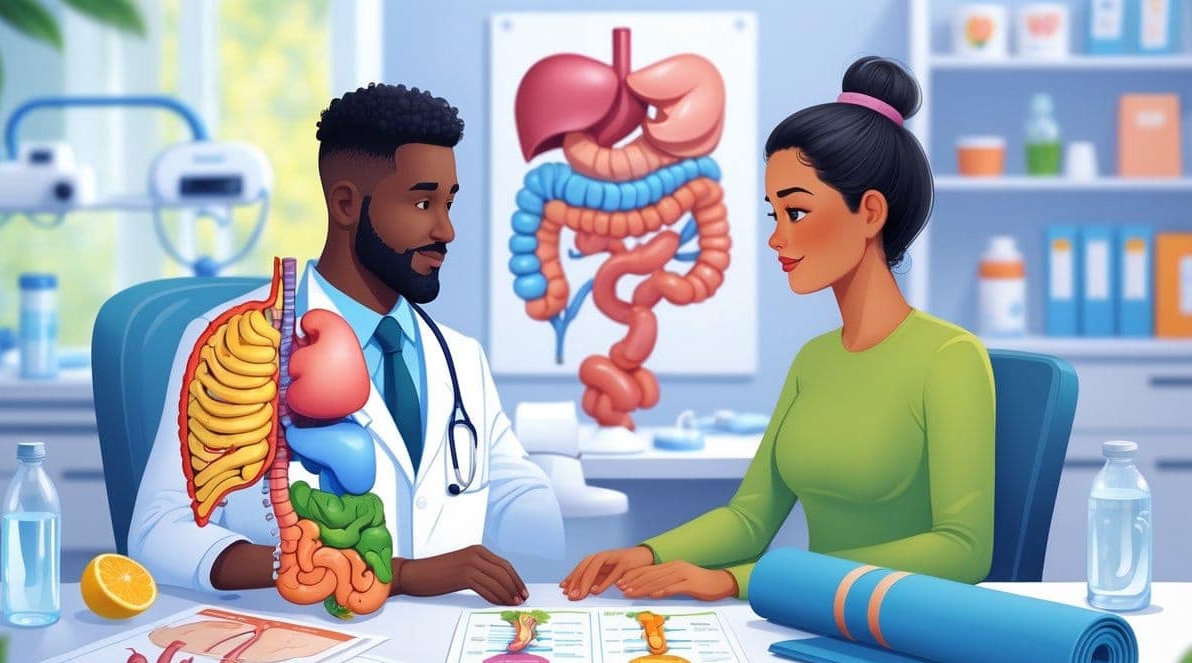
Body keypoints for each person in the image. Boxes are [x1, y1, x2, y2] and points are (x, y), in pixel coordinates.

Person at [561, 56, 995, 603]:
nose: (777, 239)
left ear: (870, 213)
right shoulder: (815, 361)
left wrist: (743, 580)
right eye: (773, 215)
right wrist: (648, 554)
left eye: (795, 212)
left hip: (904, 630)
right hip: (813, 620)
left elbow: (963, 548)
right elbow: (750, 517)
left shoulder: (950, 357)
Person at [131, 83, 565, 606]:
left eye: (449, 203)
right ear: (345, 204)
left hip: (446, 646)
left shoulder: (461, 357)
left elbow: (512, 489)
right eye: (423, 202)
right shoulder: (238, 342)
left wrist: (574, 542)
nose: (445, 229)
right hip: (301, 645)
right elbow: (158, 533)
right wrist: (383, 572)